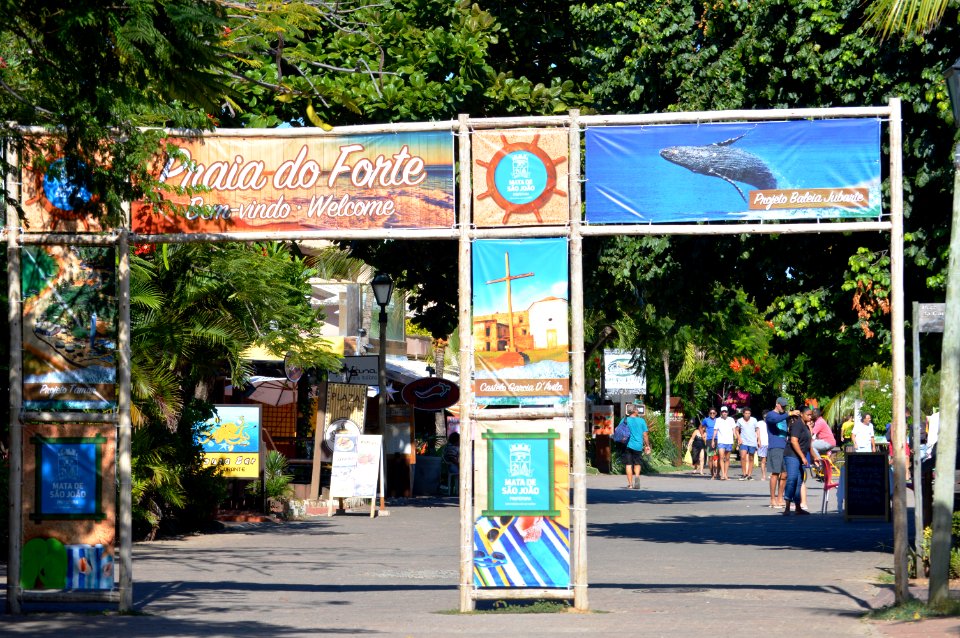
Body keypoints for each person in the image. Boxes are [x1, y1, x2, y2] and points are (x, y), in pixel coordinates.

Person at [765, 397, 798, 509]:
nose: (783, 408)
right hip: (775, 446)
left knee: (785, 474)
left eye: (785, 406)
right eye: (782, 406)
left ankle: (780, 498)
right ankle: (772, 499)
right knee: (775, 473)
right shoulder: (771, 415)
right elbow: (774, 421)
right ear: (777, 404)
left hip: (785, 446)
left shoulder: (785, 416)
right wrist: (789, 413)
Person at [783, 406, 813, 515]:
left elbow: (809, 445)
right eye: (808, 415)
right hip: (792, 455)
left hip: (800, 457)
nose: (810, 417)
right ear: (801, 414)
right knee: (792, 478)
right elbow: (794, 441)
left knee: (799, 481)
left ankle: (797, 507)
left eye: (811, 415)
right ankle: (786, 507)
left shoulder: (805, 426)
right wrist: (803, 457)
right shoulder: (797, 425)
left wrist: (815, 458)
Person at [623, 404, 652, 488]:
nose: (638, 411)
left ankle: (630, 484)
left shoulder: (625, 420)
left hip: (627, 445)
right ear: (635, 411)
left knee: (628, 464)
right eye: (637, 410)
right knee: (637, 463)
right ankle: (637, 477)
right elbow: (645, 435)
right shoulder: (641, 421)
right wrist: (647, 445)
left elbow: (618, 430)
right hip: (638, 445)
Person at [711, 406, 737, 480]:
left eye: (725, 411)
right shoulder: (718, 420)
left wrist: (736, 438)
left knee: (727, 458)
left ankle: (726, 474)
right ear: (721, 413)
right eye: (723, 412)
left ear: (727, 412)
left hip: (729, 441)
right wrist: (713, 440)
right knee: (721, 457)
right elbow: (715, 430)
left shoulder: (731, 419)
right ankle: (722, 474)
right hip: (721, 441)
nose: (724, 413)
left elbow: (734, 429)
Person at [736, 407, 758, 480]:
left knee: (751, 458)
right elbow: (736, 430)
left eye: (749, 413)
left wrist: (759, 439)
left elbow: (757, 430)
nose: (747, 415)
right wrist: (739, 438)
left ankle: (749, 475)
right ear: (743, 414)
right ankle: (744, 474)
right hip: (743, 441)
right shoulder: (740, 421)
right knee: (743, 457)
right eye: (746, 413)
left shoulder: (754, 420)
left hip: (752, 441)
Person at [702, 408, 719, 479]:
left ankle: (717, 473)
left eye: (713, 413)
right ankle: (712, 474)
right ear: (709, 413)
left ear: (716, 413)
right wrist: (703, 435)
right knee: (710, 457)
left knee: (718, 457)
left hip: (718, 439)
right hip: (709, 440)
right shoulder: (706, 420)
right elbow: (701, 427)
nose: (712, 414)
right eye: (711, 413)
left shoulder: (718, 420)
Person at [756, 410, 769, 480]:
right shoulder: (759, 423)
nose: (765, 418)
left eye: (767, 417)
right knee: (763, 460)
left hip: (771, 443)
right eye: (764, 417)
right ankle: (763, 475)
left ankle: (772, 474)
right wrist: (758, 440)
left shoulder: (772, 423)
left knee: (772, 460)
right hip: (763, 443)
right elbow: (757, 432)